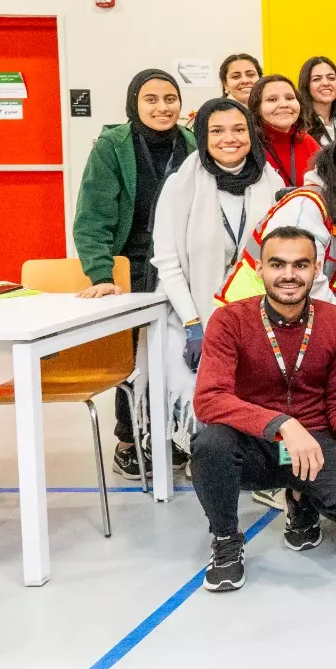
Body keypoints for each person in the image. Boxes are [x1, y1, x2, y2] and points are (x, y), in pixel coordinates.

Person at [191, 227, 336, 592]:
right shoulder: (229, 320)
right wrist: (282, 424)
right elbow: (209, 398)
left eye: (300, 265)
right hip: (252, 442)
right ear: (260, 269)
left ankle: (300, 498)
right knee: (210, 445)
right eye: (277, 264)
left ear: (316, 269)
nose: (289, 274)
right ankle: (226, 539)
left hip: (311, 445)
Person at [74, 70, 194, 477]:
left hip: (179, 262)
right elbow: (92, 219)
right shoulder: (113, 146)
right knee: (132, 358)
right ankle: (128, 439)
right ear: (134, 104)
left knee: (176, 352)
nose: (163, 107)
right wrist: (101, 275)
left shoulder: (192, 143)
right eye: (151, 99)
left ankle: (170, 434)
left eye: (170, 99)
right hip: (133, 262)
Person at [152, 97, 283, 449]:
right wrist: (194, 325)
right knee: (198, 390)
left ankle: (252, 457)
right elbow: (167, 263)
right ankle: (204, 452)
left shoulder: (271, 182)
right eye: (217, 131)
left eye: (239, 129)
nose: (230, 138)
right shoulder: (180, 185)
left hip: (257, 315)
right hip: (190, 314)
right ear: (202, 136)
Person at [221, 136, 336, 307]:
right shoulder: (306, 205)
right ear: (332, 168)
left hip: (303, 315)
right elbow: (304, 278)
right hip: (248, 313)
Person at [250, 74, 319, 192]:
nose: (284, 104)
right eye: (272, 99)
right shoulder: (249, 145)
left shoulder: (307, 141)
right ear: (257, 108)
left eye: (290, 98)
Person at [298, 56, 336, 144]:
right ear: (306, 85)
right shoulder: (300, 124)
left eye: (331, 78)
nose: (326, 83)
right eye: (316, 79)